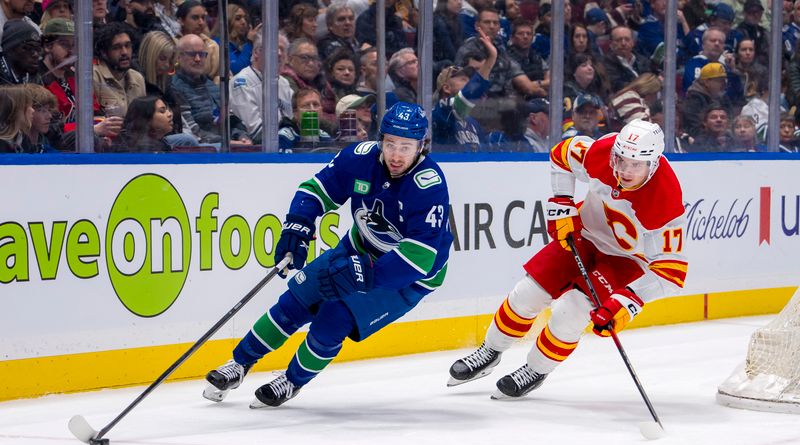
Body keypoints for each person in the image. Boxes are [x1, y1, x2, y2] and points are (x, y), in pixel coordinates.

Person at [202, 102, 453, 408]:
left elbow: (420, 257)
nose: (396, 155)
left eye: (405, 146)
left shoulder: (429, 185)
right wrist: (299, 223)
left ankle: (291, 381)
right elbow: (316, 190)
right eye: (390, 144)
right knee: (295, 302)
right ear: (380, 139)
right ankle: (239, 364)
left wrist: (367, 274)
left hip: (409, 276)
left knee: (333, 319)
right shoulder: (359, 159)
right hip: (359, 248)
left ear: (421, 146)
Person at [447, 119, 687, 399]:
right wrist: (563, 201)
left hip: (626, 261)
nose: (624, 170)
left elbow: (671, 273)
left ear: (654, 163)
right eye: (621, 160)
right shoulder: (602, 152)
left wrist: (626, 302)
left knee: (570, 312)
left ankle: (535, 370)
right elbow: (561, 155)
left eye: (636, 164)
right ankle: (490, 350)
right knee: (527, 293)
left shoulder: (665, 199)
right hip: (584, 235)